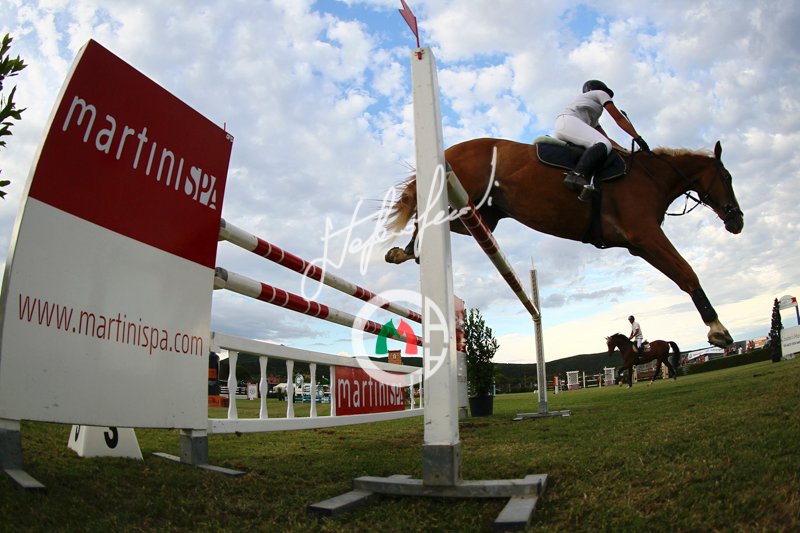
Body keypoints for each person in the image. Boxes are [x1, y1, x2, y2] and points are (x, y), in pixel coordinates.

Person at [554, 80, 650, 199]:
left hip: (565, 126)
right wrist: (638, 138)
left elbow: (606, 139)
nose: (608, 96)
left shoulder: (592, 118)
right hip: (569, 122)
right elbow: (619, 118)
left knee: (604, 145)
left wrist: (625, 151)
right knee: (603, 144)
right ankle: (576, 175)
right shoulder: (600, 93)